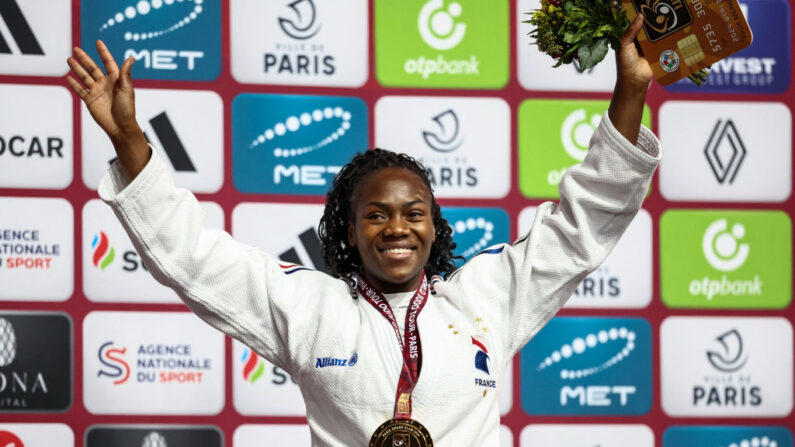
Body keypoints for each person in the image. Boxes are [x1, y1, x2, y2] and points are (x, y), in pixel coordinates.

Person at [66, 14, 660, 447]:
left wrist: (630, 89)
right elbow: (194, 257)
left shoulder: (486, 297)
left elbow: (580, 225)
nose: (397, 227)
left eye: (414, 212)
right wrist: (128, 140)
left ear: (433, 226)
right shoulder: (309, 307)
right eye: (376, 214)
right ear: (348, 231)